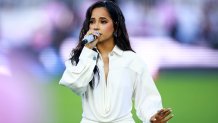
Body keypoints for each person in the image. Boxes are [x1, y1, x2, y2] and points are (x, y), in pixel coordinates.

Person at [59, 1, 173, 123]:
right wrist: (87, 50)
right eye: (92, 22)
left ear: (116, 26)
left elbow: (147, 97)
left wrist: (152, 116)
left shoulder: (132, 60)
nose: (96, 26)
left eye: (103, 21)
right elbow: (76, 85)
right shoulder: (81, 56)